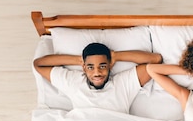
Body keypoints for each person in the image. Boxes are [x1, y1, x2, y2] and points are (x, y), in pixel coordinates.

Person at [33, 42, 162, 114]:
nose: (97, 73)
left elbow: (155, 60)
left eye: (102, 66)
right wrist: (79, 60)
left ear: (110, 65)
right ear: (83, 67)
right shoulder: (73, 82)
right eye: (90, 67)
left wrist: (116, 56)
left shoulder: (122, 84)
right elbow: (38, 64)